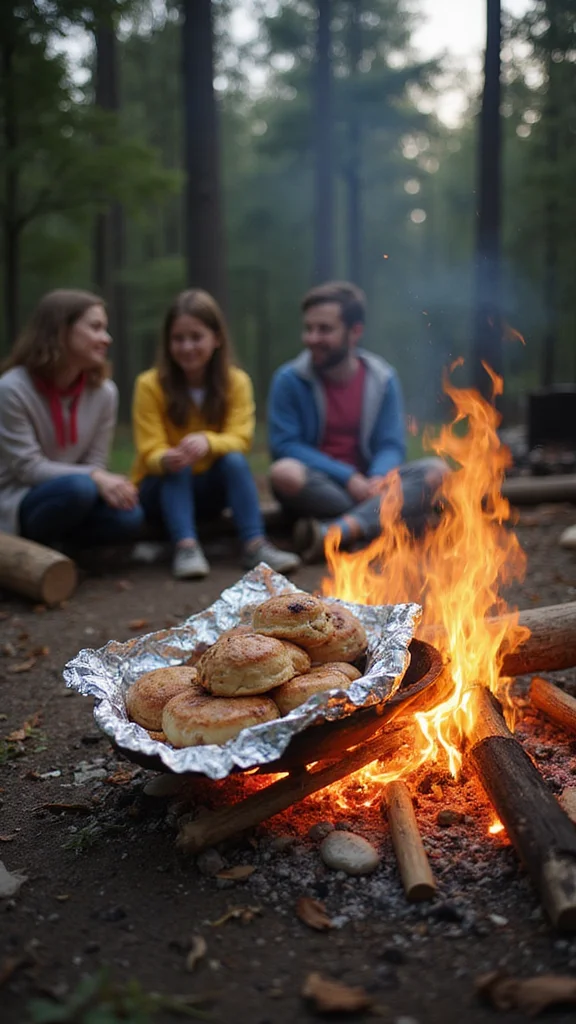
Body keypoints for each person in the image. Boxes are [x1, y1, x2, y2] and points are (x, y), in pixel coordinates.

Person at [267, 280, 447, 562]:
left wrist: (377, 476)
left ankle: (337, 530)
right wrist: (348, 477)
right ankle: (383, 522)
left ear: (355, 332)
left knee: (438, 470)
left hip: (371, 484)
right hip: (323, 487)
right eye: (309, 328)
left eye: (324, 329)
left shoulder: (382, 378)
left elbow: (391, 443)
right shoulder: (289, 380)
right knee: (284, 472)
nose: (312, 338)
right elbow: (285, 445)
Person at [132, 288, 301, 580]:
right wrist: (166, 457)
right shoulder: (149, 384)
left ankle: (254, 545)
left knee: (234, 461)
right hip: (161, 492)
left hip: (211, 490)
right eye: (178, 338)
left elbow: (241, 438)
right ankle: (185, 547)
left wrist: (207, 440)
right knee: (178, 468)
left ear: (217, 338)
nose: (187, 347)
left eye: (196, 337)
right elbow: (149, 451)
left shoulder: (236, 382)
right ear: (168, 342)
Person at [0, 289, 144, 549]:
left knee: (130, 516)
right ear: (61, 330)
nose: (106, 339)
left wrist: (107, 483)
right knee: (78, 489)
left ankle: (62, 549)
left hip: (81, 493)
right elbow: (27, 468)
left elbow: (96, 460)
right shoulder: (12, 389)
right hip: (24, 498)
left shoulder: (104, 392)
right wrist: (96, 477)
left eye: (106, 329)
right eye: (96, 327)